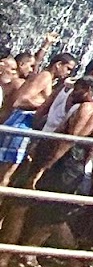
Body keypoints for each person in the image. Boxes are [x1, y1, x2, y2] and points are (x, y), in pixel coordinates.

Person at [0, 78, 93, 267]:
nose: (73, 92)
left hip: (63, 166)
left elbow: (68, 141)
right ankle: (7, 259)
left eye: (78, 89)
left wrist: (43, 168)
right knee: (36, 211)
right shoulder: (84, 106)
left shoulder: (88, 108)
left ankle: (75, 266)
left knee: (44, 214)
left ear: (87, 89)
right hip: (59, 163)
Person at [0, 52, 77, 188]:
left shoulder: (47, 78)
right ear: (58, 65)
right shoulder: (45, 76)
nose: (69, 73)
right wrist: (47, 107)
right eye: (68, 68)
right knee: (5, 174)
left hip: (22, 125)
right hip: (21, 125)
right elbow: (20, 101)